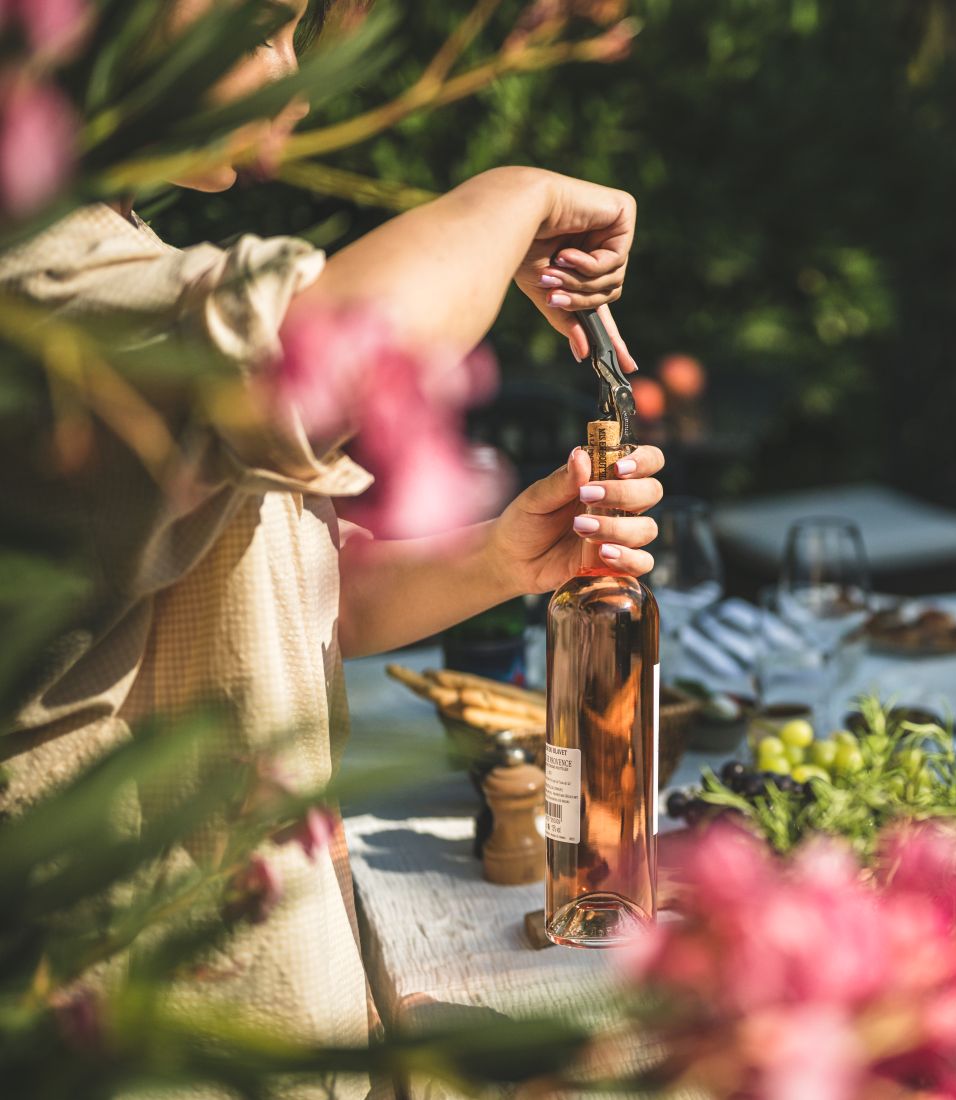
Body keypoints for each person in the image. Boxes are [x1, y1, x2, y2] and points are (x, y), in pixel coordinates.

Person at [0, 1, 661, 1091]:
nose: (293, 83)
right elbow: (311, 354)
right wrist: (516, 196)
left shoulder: (121, 255)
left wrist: (502, 558)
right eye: (265, 28)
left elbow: (288, 594)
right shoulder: (41, 278)